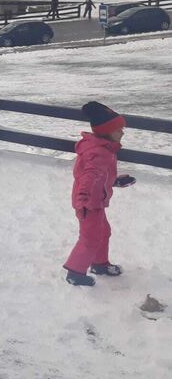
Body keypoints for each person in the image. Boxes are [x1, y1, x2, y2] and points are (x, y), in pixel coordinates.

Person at [63, 101, 136, 287]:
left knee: (103, 232)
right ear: (106, 131)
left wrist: (115, 181)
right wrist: (82, 202)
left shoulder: (104, 148)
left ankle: (100, 264)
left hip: (96, 201)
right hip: (88, 203)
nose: (122, 133)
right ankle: (75, 272)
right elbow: (88, 177)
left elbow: (99, 177)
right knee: (90, 238)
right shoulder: (99, 153)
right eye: (118, 129)